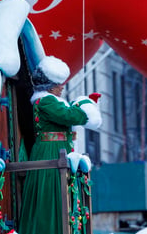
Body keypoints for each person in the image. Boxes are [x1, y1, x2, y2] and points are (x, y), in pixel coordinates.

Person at [19, 56, 101, 234]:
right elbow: (70, 116)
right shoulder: (46, 102)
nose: (62, 86)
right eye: (58, 83)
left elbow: (69, 112)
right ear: (49, 85)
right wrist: (85, 105)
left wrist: (80, 105)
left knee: (59, 192)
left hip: (57, 149)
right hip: (51, 151)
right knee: (50, 193)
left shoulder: (50, 101)